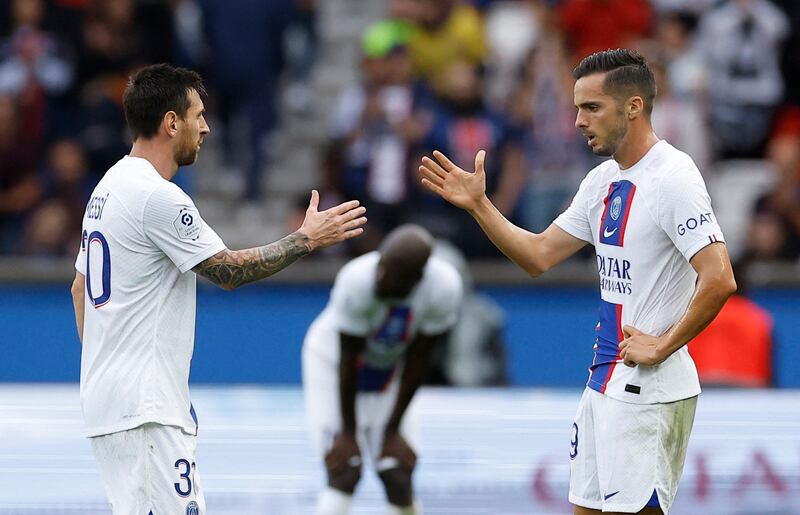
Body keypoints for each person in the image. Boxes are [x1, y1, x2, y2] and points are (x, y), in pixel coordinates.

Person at [419, 49, 736, 515]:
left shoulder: (673, 178)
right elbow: (538, 255)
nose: (577, 122)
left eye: (591, 108)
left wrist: (664, 344)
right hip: (604, 382)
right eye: (577, 108)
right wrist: (480, 206)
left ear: (633, 107)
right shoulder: (602, 181)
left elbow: (720, 278)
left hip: (649, 390)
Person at [69, 63, 367, 515]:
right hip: (146, 411)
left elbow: (79, 288)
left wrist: (105, 370)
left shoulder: (107, 187)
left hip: (114, 404)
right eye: (198, 115)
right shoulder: (157, 196)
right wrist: (306, 239)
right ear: (172, 122)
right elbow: (227, 271)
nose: (205, 127)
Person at [302, 224, 463, 515]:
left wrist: (393, 429)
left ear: (417, 279)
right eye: (381, 268)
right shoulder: (356, 280)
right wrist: (348, 433)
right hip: (332, 363)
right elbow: (349, 360)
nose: (382, 279)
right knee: (344, 471)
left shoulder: (443, 287)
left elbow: (419, 360)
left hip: (391, 366)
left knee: (397, 473)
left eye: (394, 275)